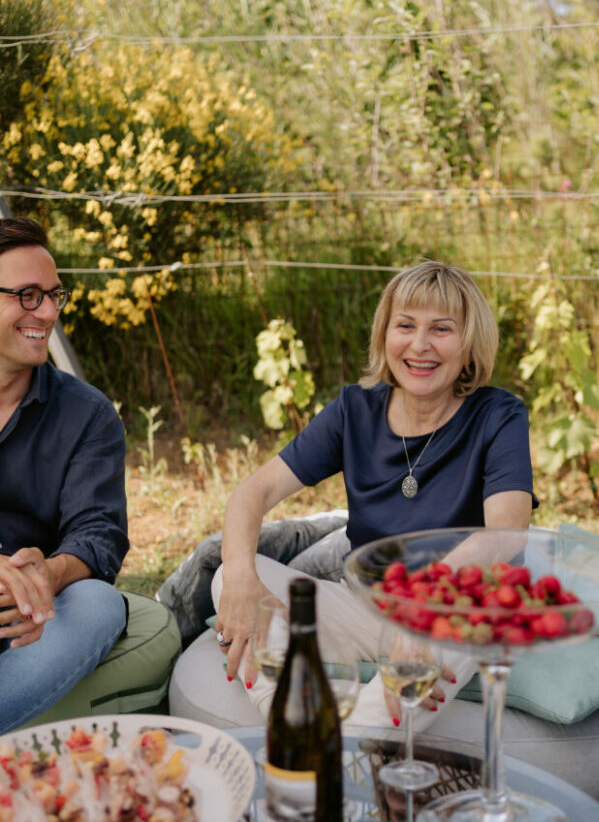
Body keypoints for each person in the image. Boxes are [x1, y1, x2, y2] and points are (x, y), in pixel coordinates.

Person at [212, 259, 538, 722]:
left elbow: (507, 534)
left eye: (441, 329)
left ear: (469, 344)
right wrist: (243, 577)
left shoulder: (498, 415)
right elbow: (254, 492)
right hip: (365, 605)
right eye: (405, 325)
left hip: (456, 610)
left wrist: (421, 607)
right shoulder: (355, 410)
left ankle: (328, 751)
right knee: (228, 575)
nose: (420, 345)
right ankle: (291, 723)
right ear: (385, 334)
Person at [0, 216, 129, 734]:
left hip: (24, 620)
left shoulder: (88, 415)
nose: (48, 312)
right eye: (28, 295)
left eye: (54, 295)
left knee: (99, 604)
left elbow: (99, 535)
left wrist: (45, 575)